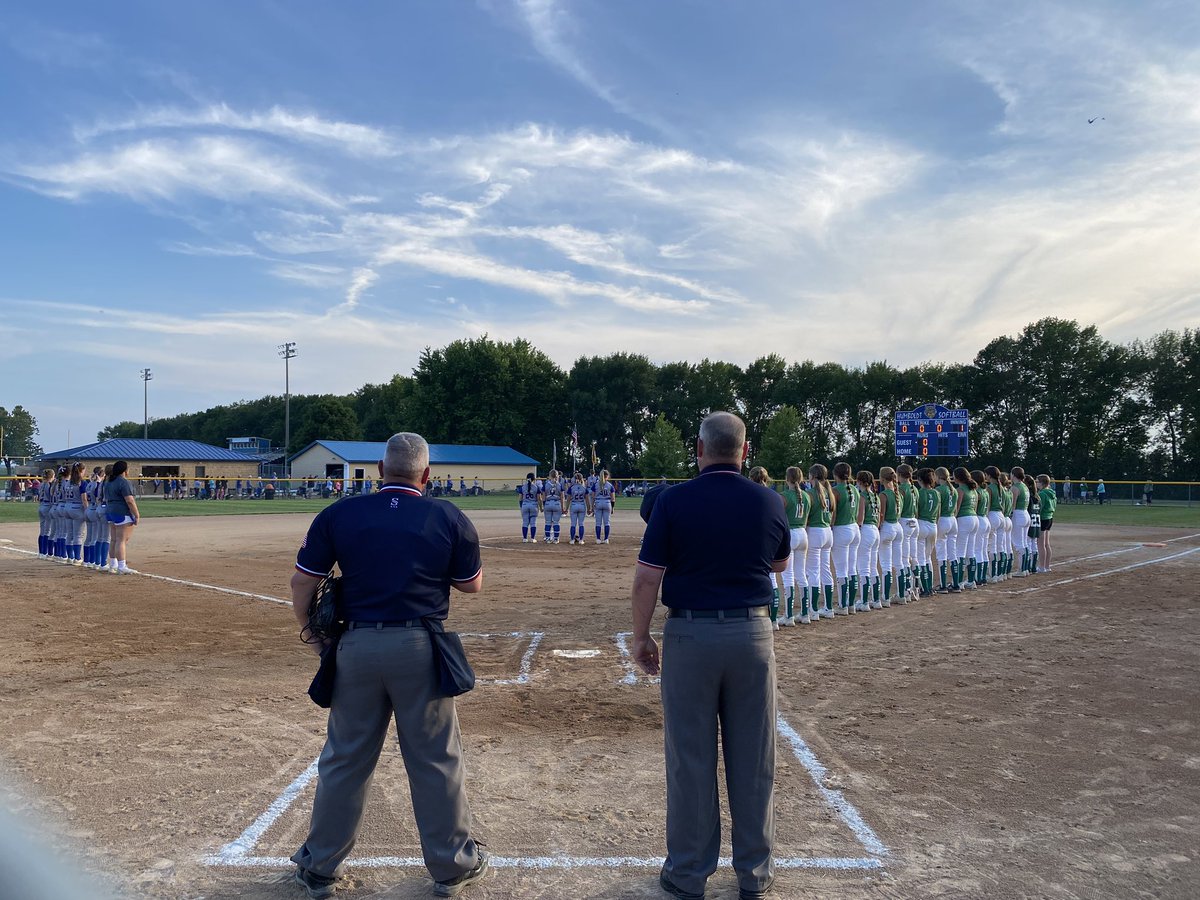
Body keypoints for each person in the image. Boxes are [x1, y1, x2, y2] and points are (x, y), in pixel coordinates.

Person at [289, 433, 489, 899]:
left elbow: (303, 583)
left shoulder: (340, 512)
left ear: (379, 470)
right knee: (435, 760)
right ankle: (452, 867)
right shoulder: (447, 516)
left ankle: (320, 868)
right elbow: (471, 585)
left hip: (355, 645)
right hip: (421, 647)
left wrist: (317, 638)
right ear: (426, 476)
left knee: (344, 759)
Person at [631, 412, 789, 900]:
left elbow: (647, 578)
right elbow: (779, 562)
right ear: (745, 452)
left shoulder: (674, 501)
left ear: (698, 450)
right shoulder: (769, 499)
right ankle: (754, 874)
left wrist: (640, 637)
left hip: (691, 635)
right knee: (754, 757)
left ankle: (688, 873)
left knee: (690, 759)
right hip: (752, 633)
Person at [749, 467, 784, 628]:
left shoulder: (748, 493)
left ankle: (757, 616)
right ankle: (774, 619)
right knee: (772, 578)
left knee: (755, 577)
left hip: (754, 538)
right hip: (772, 537)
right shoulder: (773, 496)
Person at [805, 464, 836, 619]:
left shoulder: (810, 493)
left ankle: (813, 609)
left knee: (813, 572)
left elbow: (806, 517)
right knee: (825, 570)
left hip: (815, 532)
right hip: (827, 532)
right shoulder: (829, 491)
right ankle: (828, 607)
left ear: (813, 476)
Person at [781, 466, 810, 624]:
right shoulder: (806, 495)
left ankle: (789, 615)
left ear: (787, 479)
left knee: (788, 576)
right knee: (801, 574)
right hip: (803, 533)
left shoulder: (784, 496)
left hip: (790, 534)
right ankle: (805, 613)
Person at [830, 462, 860, 615]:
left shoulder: (835, 490)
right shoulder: (855, 488)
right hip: (854, 528)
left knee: (842, 570)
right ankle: (851, 604)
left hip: (842, 529)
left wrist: (830, 526)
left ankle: (843, 606)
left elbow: (833, 514)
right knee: (852, 568)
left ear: (835, 475)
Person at [103, 460, 140, 574]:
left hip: (110, 511)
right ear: (124, 471)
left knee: (114, 539)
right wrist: (136, 514)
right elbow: (129, 500)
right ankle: (121, 566)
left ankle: (113, 564)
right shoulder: (123, 482)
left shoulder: (109, 481)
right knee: (121, 540)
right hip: (121, 512)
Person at [855, 470, 882, 609]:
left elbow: (860, 518)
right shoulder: (876, 496)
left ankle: (864, 601)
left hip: (866, 530)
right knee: (873, 567)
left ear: (859, 481)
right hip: (875, 531)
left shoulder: (862, 496)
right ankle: (876, 600)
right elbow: (878, 519)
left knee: (863, 568)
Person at [877, 467, 904, 604]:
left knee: (886, 565)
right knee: (898, 563)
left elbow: (881, 515)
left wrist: (878, 527)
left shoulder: (884, 494)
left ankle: (886, 597)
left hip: (888, 527)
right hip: (898, 527)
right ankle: (902, 595)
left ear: (882, 478)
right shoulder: (898, 493)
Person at [933, 467, 959, 592]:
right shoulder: (953, 489)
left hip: (943, 519)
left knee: (941, 553)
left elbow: (938, 509)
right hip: (953, 520)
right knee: (952, 553)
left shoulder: (939, 489)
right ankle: (956, 584)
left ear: (938, 476)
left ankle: (943, 585)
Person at [953, 468, 979, 589]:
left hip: (964, 519)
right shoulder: (973, 489)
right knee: (971, 551)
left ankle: (958, 582)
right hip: (974, 519)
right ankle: (971, 580)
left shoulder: (960, 490)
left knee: (960, 552)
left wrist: (953, 520)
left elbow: (956, 509)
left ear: (958, 478)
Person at [1036, 474, 1057, 572]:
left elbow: (1040, 507)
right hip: (1050, 518)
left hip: (1043, 518)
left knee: (1040, 544)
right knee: (1046, 544)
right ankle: (1047, 566)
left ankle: (1041, 566)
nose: (1036, 483)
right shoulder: (1052, 493)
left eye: (1037, 482)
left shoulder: (1042, 493)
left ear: (1042, 483)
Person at [540, 469, 565, 543]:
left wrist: (544, 506)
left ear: (550, 475)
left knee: (548, 522)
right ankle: (556, 539)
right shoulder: (559, 484)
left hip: (548, 503)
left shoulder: (546, 484)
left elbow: (543, 497)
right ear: (557, 475)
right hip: (557, 503)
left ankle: (547, 538)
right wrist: (563, 507)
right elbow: (562, 497)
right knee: (556, 522)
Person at [36, 468, 55, 558]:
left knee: (42, 530)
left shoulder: (41, 484)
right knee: (47, 531)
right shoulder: (49, 485)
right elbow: (52, 497)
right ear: (52, 476)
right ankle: (44, 552)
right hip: (47, 506)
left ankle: (41, 552)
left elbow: (39, 497)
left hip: (41, 505)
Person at [593, 470, 616, 544]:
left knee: (598, 523)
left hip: (598, 502)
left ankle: (598, 539)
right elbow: (613, 498)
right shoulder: (610, 485)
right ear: (608, 476)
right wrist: (612, 507)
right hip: (607, 502)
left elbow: (593, 496)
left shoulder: (596, 484)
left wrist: (592, 505)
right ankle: (606, 539)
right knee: (607, 523)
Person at [517, 473, 541, 542]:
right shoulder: (536, 487)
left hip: (525, 505)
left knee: (525, 522)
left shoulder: (523, 487)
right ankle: (533, 538)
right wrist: (541, 507)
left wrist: (521, 507)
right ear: (534, 479)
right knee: (533, 523)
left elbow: (520, 498)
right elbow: (539, 499)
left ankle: (525, 538)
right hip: (533, 505)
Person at [566, 472, 589, 544]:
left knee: (573, 524)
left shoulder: (571, 488)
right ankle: (581, 540)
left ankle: (572, 540)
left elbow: (568, 499)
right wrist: (589, 508)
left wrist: (566, 509)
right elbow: (587, 500)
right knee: (581, 523)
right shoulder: (584, 488)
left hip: (574, 505)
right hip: (582, 505)